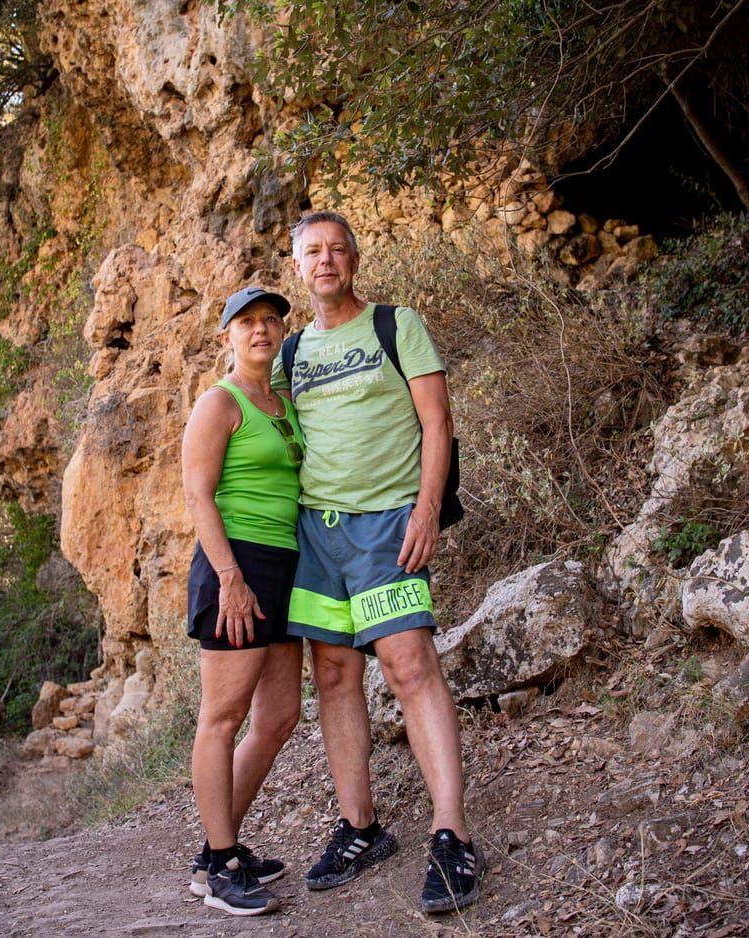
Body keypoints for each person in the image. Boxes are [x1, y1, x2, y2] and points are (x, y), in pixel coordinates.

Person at [277, 211, 486, 913]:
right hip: (318, 535)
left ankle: (452, 835)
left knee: (408, 666)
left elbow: (437, 421)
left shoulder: (398, 326)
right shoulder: (289, 354)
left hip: (387, 526)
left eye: (337, 248)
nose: (326, 260)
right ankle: (361, 828)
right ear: (298, 268)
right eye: (313, 252)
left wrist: (426, 509)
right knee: (334, 676)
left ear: (355, 260)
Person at [179, 286, 306, 916]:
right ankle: (222, 863)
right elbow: (199, 495)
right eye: (247, 322)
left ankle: (214, 850)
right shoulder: (218, 402)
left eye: (270, 321)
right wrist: (229, 576)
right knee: (222, 718)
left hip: (287, 566)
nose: (261, 330)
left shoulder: (282, 403)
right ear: (228, 335)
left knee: (280, 716)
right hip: (237, 565)